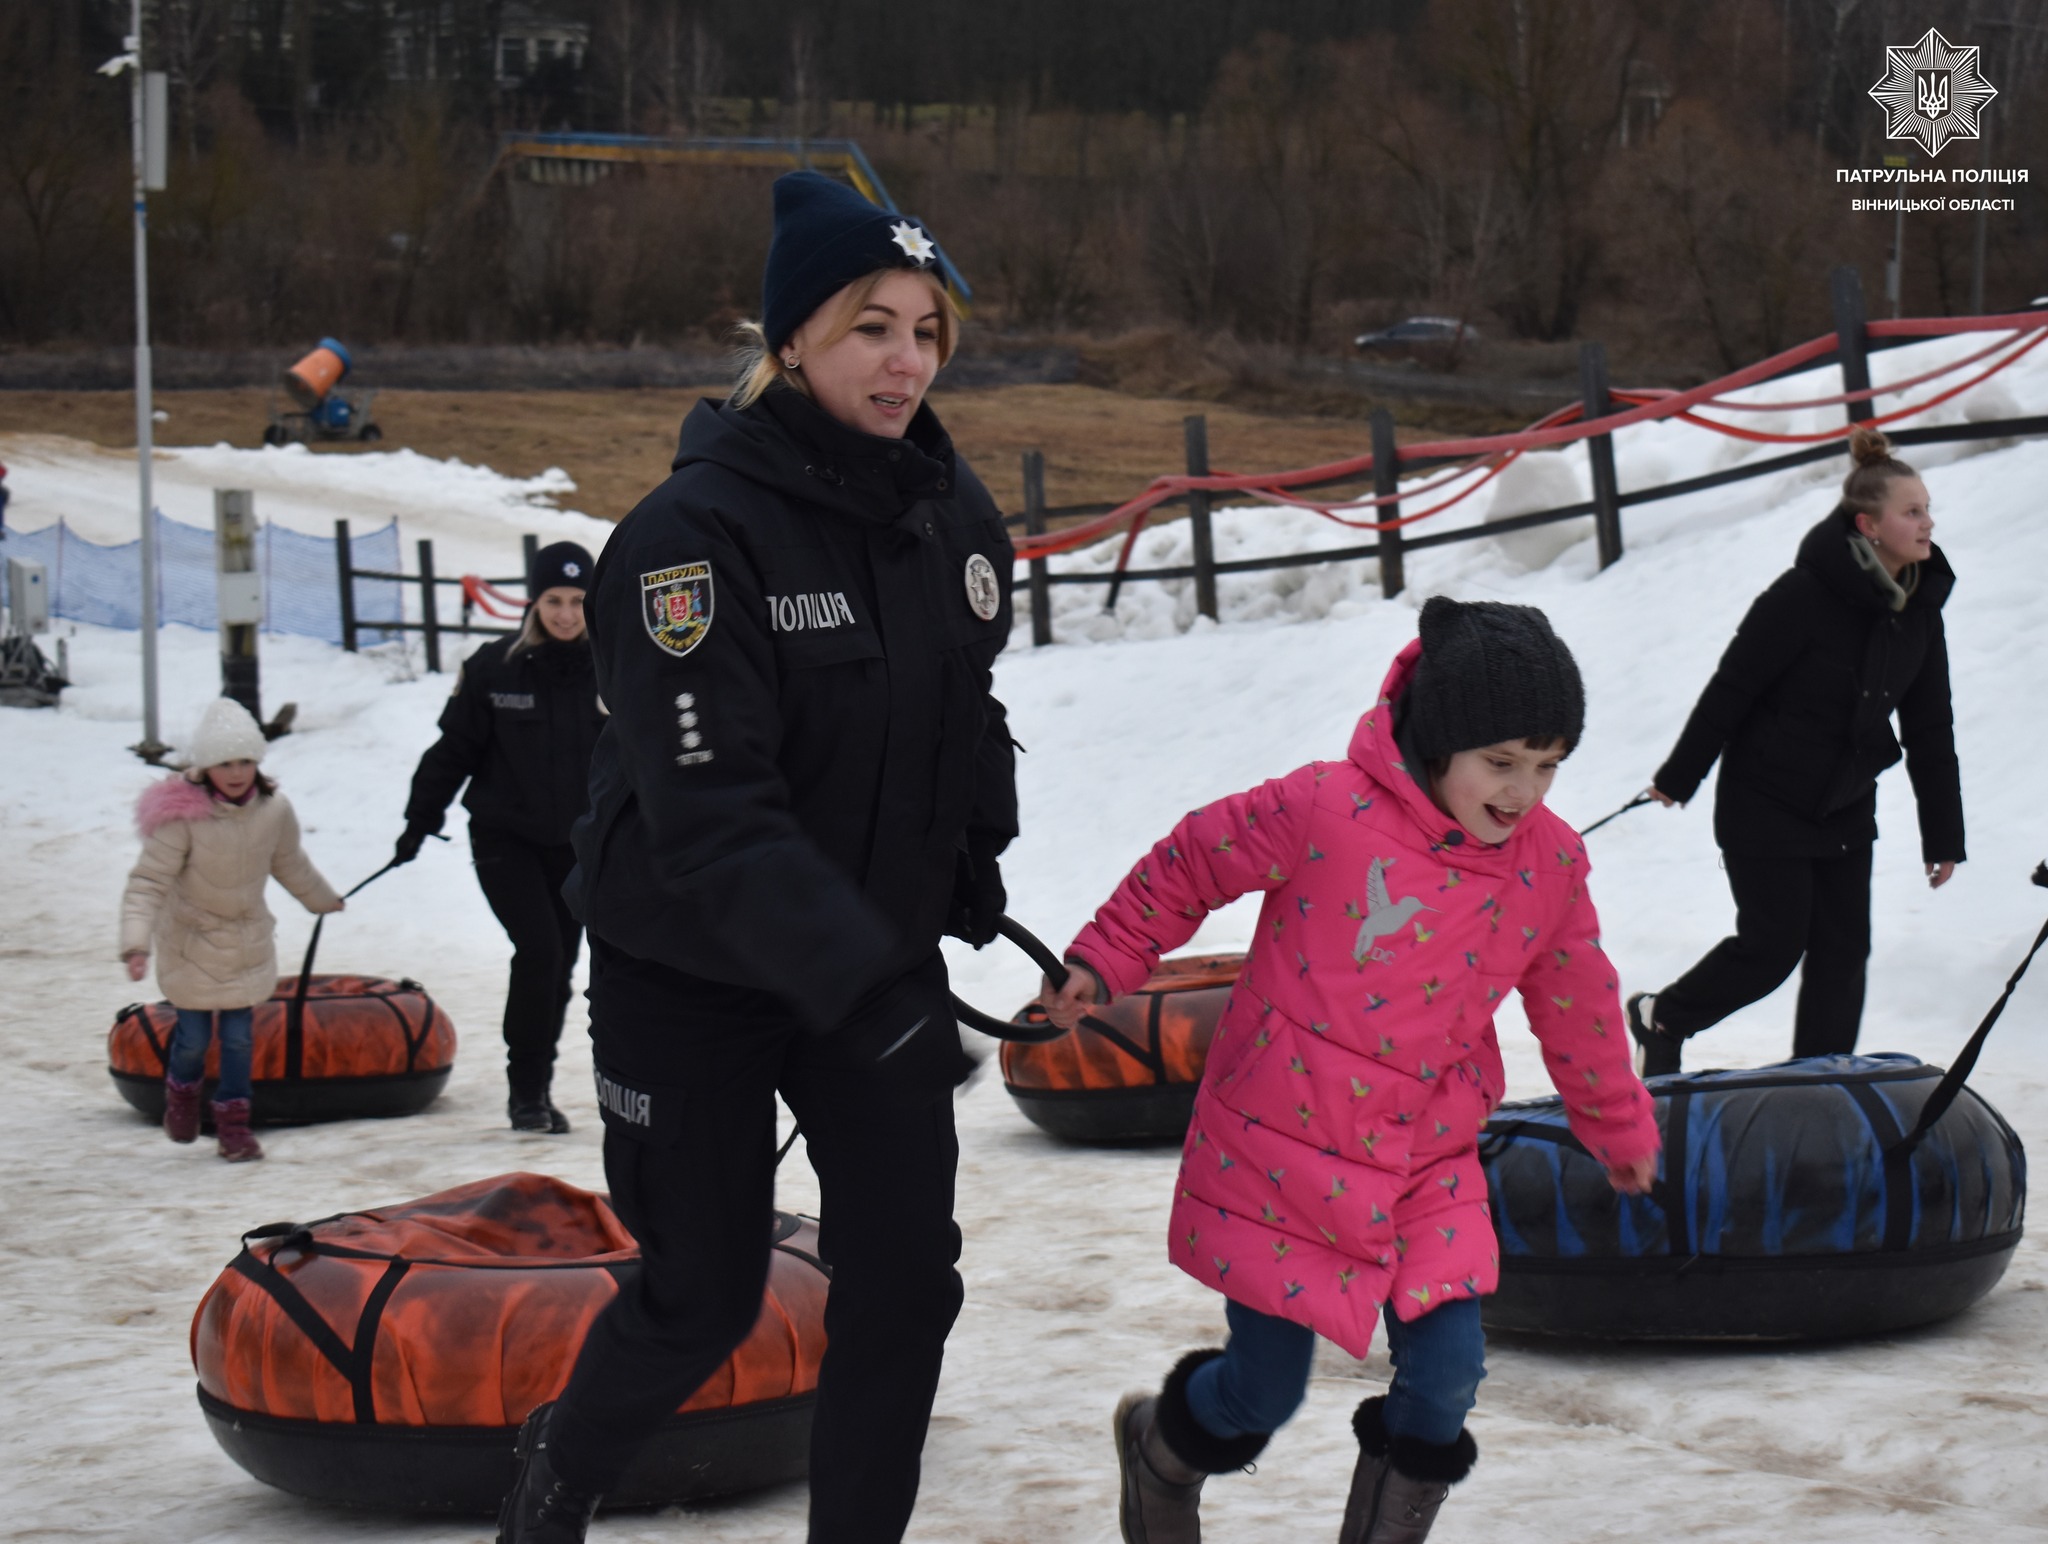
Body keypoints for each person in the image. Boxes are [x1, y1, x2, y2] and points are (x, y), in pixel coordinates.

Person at [494, 171, 1016, 1544]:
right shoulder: (689, 541)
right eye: (870, 328)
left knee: (905, 1283)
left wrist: (978, 862)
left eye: (925, 330)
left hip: (871, 960)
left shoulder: (952, 511)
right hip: (691, 969)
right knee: (705, 1294)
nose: (906, 360)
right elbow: (708, 803)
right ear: (791, 341)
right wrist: (856, 979)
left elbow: (968, 699)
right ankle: (562, 1473)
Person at [1040, 597, 1660, 1544]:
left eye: (1546, 766)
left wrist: (1616, 1124)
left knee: (1449, 1373)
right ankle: (1161, 1454)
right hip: (1281, 1147)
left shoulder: (1550, 866)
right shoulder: (1326, 808)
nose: (1523, 791)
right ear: (1438, 742)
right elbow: (1191, 863)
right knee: (1264, 1389)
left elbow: (1576, 999)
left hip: (1428, 1153)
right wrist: (1103, 962)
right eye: (1500, 763)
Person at [1628, 427, 1963, 1077]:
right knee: (1774, 945)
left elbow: (1930, 728)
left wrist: (1942, 836)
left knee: (1844, 951)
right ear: (1869, 525)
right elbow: (1734, 686)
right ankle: (1665, 1015)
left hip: (1842, 802)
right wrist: (1679, 775)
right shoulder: (1802, 596)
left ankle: (1820, 1081)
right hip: (1766, 798)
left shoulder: (1920, 610)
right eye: (1912, 511)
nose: (1928, 523)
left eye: (1927, 508)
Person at [394, 542, 605, 1132]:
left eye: (577, 601)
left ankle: (537, 1086)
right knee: (538, 951)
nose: (566, 614)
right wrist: (418, 821)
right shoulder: (494, 668)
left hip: (578, 847)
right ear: (533, 603)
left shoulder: (616, 668)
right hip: (505, 839)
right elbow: (451, 753)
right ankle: (527, 1096)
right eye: (553, 601)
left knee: (560, 962)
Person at [119, 697, 343, 1161]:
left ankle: (234, 1126)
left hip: (246, 941)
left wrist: (322, 898)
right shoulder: (183, 817)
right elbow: (148, 882)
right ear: (205, 768)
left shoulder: (273, 809)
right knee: (194, 1038)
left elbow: (290, 863)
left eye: (245, 761)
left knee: (240, 1038)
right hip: (192, 942)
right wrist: (135, 943)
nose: (237, 772)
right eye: (225, 763)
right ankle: (181, 1094)